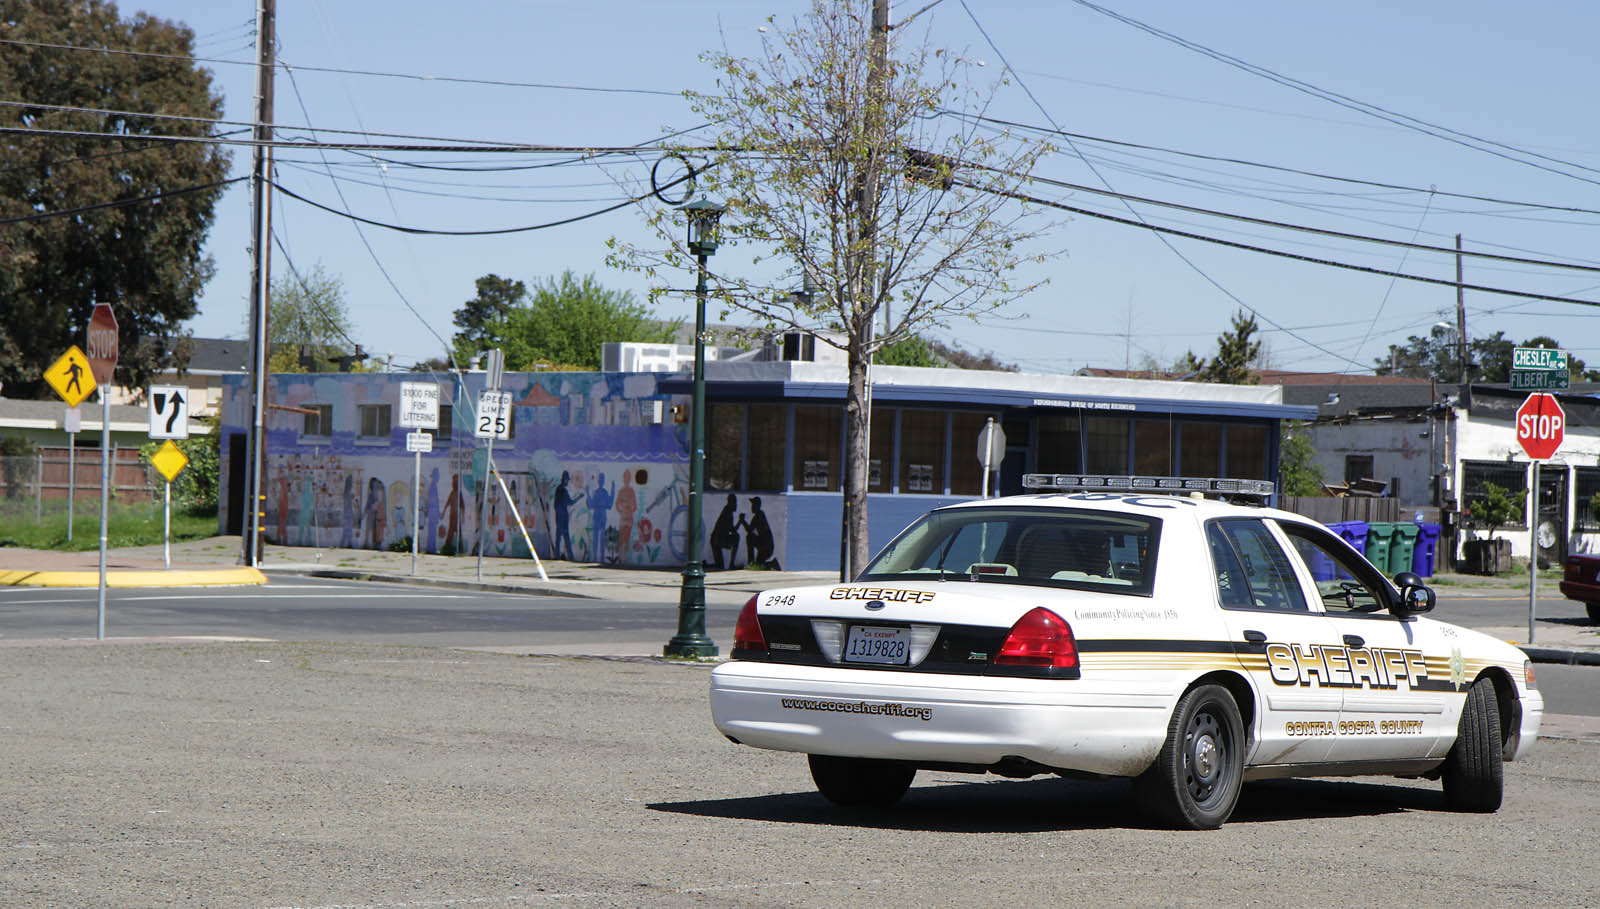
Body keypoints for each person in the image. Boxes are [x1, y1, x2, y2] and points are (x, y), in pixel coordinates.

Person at [738, 495, 778, 569]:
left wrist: (742, 521)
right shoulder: (757, 515)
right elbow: (750, 530)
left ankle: (772, 564)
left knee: (759, 565)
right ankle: (752, 562)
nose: (752, 507)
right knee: (750, 537)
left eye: (753, 505)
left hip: (766, 547)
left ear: (757, 506)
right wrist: (742, 521)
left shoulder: (759, 516)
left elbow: (749, 530)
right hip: (762, 543)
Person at [552, 470, 582, 560]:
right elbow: (570, 502)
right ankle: (568, 556)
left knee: (561, 537)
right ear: (564, 479)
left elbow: (556, 504)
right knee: (564, 537)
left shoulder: (559, 489)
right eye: (567, 480)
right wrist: (579, 497)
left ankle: (560, 555)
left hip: (560, 516)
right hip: (563, 516)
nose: (568, 482)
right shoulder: (562, 490)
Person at [708, 493, 740, 570]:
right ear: (730, 503)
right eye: (734, 502)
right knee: (736, 537)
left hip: (717, 540)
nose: (736, 505)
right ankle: (732, 564)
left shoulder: (727, 511)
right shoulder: (728, 512)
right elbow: (733, 531)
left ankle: (706, 565)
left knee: (719, 566)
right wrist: (740, 521)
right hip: (718, 540)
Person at [588, 473, 615, 564]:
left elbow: (610, 504)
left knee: (602, 537)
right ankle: (595, 558)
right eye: (600, 479)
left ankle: (601, 558)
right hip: (597, 514)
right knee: (596, 537)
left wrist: (613, 490)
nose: (601, 481)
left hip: (602, 514)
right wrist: (587, 493)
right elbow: (591, 505)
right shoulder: (597, 492)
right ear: (598, 481)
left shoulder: (604, 492)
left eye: (602, 480)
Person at [614, 470, 639, 563]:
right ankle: (620, 557)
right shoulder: (621, 491)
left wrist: (630, 508)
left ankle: (625, 559)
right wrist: (622, 510)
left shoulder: (631, 491)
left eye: (628, 477)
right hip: (623, 517)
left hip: (629, 518)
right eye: (625, 477)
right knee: (621, 538)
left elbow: (635, 505)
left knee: (627, 539)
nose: (627, 479)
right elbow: (617, 504)